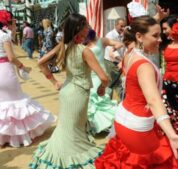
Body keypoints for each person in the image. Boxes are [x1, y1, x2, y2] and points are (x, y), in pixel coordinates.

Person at [94, 15, 178, 169]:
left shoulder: (129, 54)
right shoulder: (145, 66)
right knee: (160, 158)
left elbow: (135, 87)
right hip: (137, 126)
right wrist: (171, 134)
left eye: (160, 35)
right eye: (155, 36)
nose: (160, 40)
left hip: (124, 119)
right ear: (139, 37)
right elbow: (154, 100)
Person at [29, 13, 109, 168]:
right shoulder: (84, 50)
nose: (88, 28)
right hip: (79, 93)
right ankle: (69, 158)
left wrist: (54, 82)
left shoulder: (63, 46)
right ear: (79, 28)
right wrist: (102, 87)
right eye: (86, 25)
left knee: (67, 126)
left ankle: (59, 156)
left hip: (66, 89)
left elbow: (40, 63)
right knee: (73, 128)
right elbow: (104, 77)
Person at [0, 10, 55, 148]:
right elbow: (12, 58)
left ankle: (3, 137)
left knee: (3, 104)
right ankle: (17, 137)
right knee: (15, 102)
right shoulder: (4, 36)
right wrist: (23, 67)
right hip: (5, 71)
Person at [84, 28, 123, 134]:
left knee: (98, 98)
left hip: (100, 74)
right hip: (89, 74)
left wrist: (114, 49)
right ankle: (96, 126)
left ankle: (105, 124)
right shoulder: (83, 44)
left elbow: (119, 43)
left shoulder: (101, 41)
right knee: (91, 100)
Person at [104, 18, 126, 100]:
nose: (123, 28)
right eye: (121, 26)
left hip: (119, 62)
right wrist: (122, 60)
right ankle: (106, 101)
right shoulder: (110, 35)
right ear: (116, 25)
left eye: (124, 26)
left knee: (117, 83)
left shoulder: (122, 35)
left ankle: (121, 102)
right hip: (111, 62)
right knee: (111, 83)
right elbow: (112, 52)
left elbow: (124, 48)